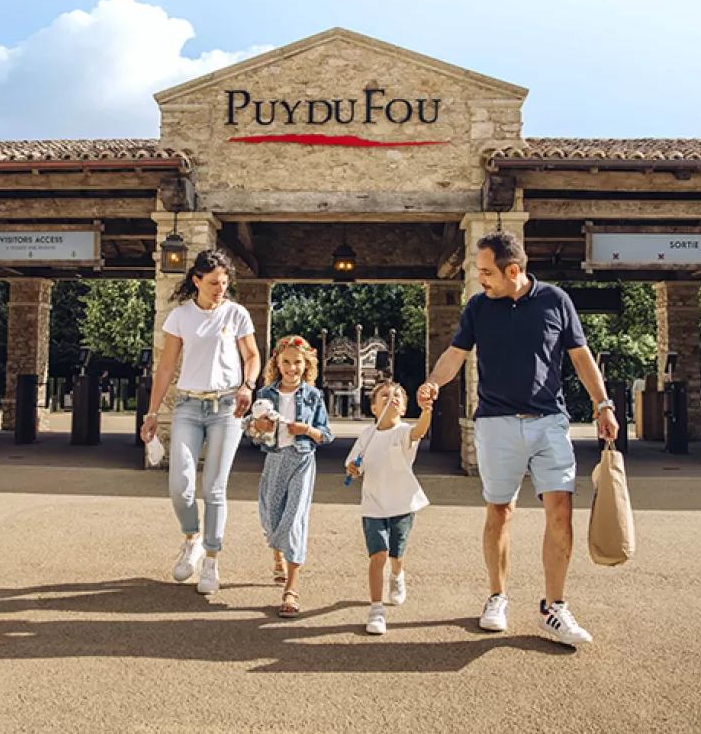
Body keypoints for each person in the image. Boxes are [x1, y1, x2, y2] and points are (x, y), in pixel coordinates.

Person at [418, 231, 619, 646]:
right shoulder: (477, 307)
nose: (480, 278)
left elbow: (581, 358)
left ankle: (554, 608)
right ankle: (497, 596)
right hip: (496, 423)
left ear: (514, 270)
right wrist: (433, 383)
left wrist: (604, 405)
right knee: (500, 511)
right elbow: (456, 354)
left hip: (549, 421)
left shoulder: (555, 301)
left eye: (487, 271)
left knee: (561, 510)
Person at [140, 249, 261, 595]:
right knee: (180, 486)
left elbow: (252, 356)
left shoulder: (236, 313)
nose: (220, 289)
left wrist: (248, 386)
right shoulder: (180, 316)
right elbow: (166, 367)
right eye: (213, 283)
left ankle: (211, 558)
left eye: (224, 283)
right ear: (196, 281)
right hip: (189, 407)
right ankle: (191, 537)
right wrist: (152, 413)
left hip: (227, 409)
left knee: (214, 488)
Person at [248, 335, 333, 618]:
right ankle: (278, 556)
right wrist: (257, 425)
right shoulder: (266, 395)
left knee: (294, 519)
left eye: (297, 362)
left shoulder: (313, 396)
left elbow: (326, 435)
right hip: (274, 460)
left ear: (306, 364)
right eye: (286, 362)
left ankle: (292, 590)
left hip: (301, 461)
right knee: (271, 517)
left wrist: (306, 430)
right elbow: (251, 430)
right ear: (277, 363)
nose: (291, 368)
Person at [346, 381, 432, 636]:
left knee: (396, 554)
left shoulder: (404, 432)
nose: (391, 398)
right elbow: (354, 463)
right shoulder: (367, 435)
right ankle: (376, 609)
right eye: (385, 395)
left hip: (402, 505)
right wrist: (352, 467)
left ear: (403, 408)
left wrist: (426, 411)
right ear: (374, 407)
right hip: (373, 505)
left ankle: (397, 575)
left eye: (397, 396)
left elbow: (419, 431)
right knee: (378, 555)